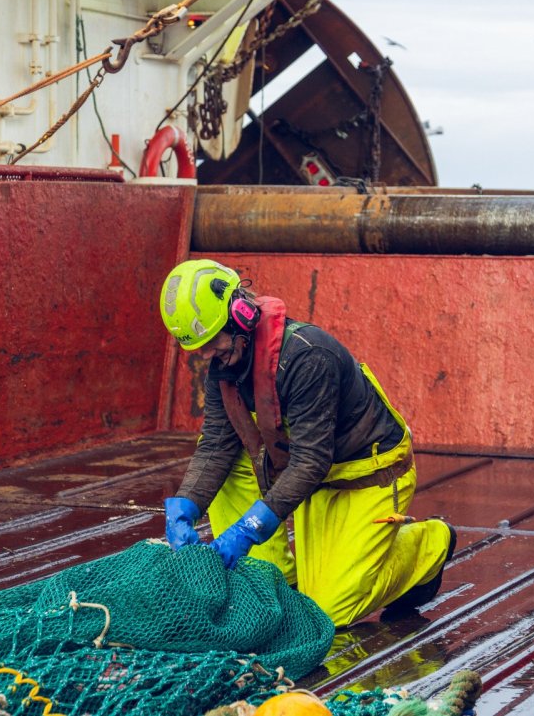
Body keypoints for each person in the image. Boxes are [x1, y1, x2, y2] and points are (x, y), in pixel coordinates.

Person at [158, 258, 455, 627]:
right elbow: (216, 445)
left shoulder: (308, 356)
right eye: (198, 347)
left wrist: (250, 528)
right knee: (227, 462)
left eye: (211, 341)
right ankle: (274, 580)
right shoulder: (226, 363)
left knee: (328, 611)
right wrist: (185, 506)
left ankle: (429, 543)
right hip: (312, 478)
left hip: (366, 475)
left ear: (241, 314)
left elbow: (311, 460)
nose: (205, 355)